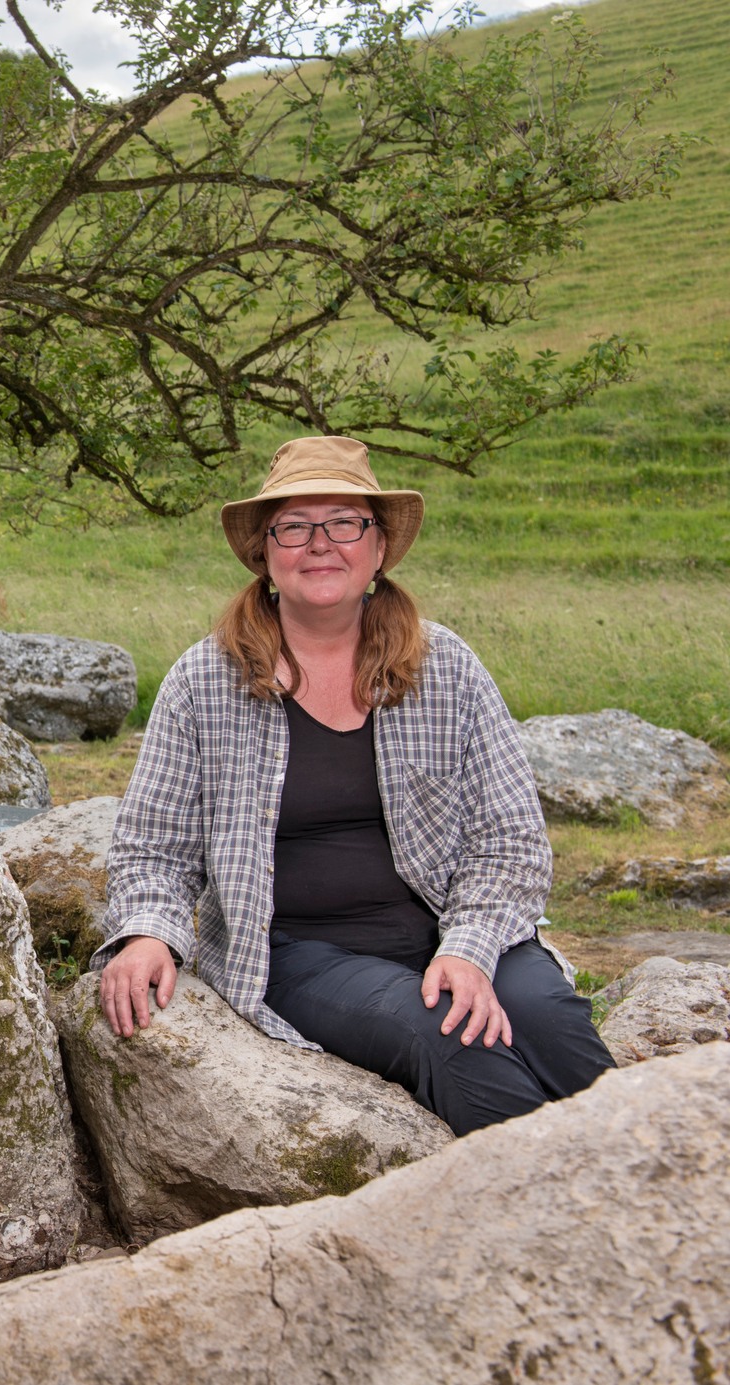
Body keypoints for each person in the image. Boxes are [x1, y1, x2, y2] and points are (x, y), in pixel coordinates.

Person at [94, 436, 612, 1136]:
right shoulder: (202, 681)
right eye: (295, 526)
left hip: (451, 920)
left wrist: (467, 945)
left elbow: (511, 839)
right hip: (300, 951)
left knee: (555, 1025)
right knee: (458, 1039)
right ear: (266, 553)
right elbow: (153, 845)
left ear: (377, 546)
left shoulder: (448, 667)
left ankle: (661, 1204)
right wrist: (148, 933)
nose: (320, 543)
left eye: (343, 521)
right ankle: (548, 1226)